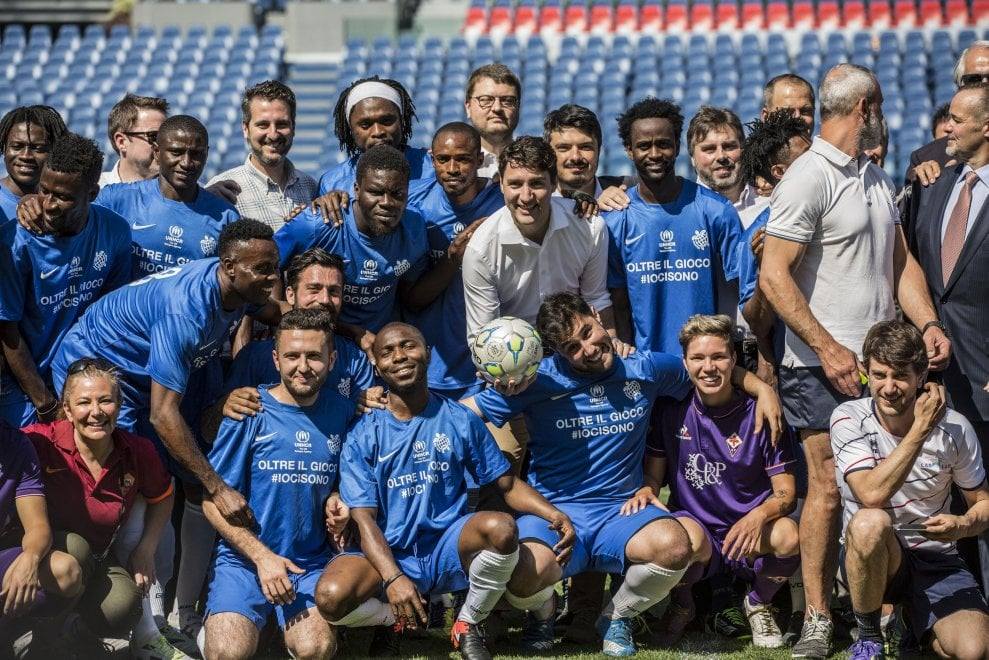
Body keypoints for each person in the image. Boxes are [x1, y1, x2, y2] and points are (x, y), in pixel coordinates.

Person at [758, 64, 950, 660]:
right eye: (883, 104)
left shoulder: (872, 173)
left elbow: (902, 266)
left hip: (878, 364)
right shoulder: (807, 177)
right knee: (827, 492)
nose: (887, 113)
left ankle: (878, 614)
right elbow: (774, 274)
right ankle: (818, 618)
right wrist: (826, 347)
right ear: (865, 107)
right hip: (819, 364)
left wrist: (928, 323)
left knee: (884, 492)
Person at [50, 219, 284, 645]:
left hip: (161, 375)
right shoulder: (187, 309)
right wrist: (218, 487)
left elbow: (275, 311)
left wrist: (353, 334)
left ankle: (183, 612)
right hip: (103, 374)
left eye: (276, 267)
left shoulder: (239, 286)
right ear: (229, 265)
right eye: (264, 270)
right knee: (139, 489)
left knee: (191, 485)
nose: (274, 278)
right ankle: (141, 625)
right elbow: (163, 416)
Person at [314, 322, 574, 660]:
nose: (400, 356)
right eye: (388, 352)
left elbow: (506, 484)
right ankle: (398, 619)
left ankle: (468, 622)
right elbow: (364, 520)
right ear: (376, 366)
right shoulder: (362, 433)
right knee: (331, 598)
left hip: (447, 547)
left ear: (428, 354)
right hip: (389, 551)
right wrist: (393, 578)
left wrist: (553, 514)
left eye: (409, 346)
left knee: (503, 528)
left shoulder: (459, 419)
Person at [832, 320, 989, 660]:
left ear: (921, 377)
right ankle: (870, 637)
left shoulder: (956, 428)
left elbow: (983, 504)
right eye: (879, 375)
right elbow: (871, 495)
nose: (889, 387)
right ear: (866, 374)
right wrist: (920, 429)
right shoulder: (848, 417)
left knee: (974, 651)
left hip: (936, 558)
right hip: (874, 555)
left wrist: (962, 526)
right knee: (869, 522)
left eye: (900, 375)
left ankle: (910, 621)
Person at [202, 309, 354, 660]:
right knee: (228, 652)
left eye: (314, 356)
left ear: (331, 360)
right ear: (275, 359)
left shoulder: (344, 413)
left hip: (309, 563)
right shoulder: (250, 410)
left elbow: (348, 481)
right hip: (244, 561)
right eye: (292, 356)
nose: (303, 366)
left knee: (314, 648)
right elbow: (212, 501)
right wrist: (262, 557)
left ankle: (283, 629)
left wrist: (338, 497)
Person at [646, 314, 799, 649]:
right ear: (684, 363)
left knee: (789, 536)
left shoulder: (761, 412)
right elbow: (652, 478)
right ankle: (683, 604)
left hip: (749, 530)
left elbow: (786, 495)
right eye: (698, 358)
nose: (709, 367)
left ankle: (758, 602)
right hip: (698, 528)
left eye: (718, 357)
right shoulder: (670, 409)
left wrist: (757, 516)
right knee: (673, 538)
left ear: (733, 361)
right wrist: (647, 490)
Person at [24, 357, 177, 659]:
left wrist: (146, 548)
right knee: (75, 549)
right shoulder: (41, 442)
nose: (95, 412)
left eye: (106, 401)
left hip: (97, 558)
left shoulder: (137, 450)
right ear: (67, 410)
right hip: (45, 553)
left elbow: (163, 497)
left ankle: (78, 633)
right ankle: (42, 641)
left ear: (119, 405)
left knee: (124, 606)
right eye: (83, 403)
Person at [907, 83, 989, 589]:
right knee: (938, 499)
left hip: (984, 375)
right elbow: (910, 265)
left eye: (957, 120)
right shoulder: (933, 183)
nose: (946, 129)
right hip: (933, 370)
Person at [0, 132, 131, 428]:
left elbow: (110, 313)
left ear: (93, 194)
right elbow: (7, 329)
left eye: (63, 197)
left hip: (81, 379)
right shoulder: (14, 243)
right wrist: (44, 403)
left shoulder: (114, 231)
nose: (48, 204)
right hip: (23, 382)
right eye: (43, 190)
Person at [605, 97, 743, 357]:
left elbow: (744, 292)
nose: (655, 154)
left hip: (705, 366)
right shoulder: (614, 220)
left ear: (678, 147)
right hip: (645, 368)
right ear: (629, 150)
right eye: (644, 146)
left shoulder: (716, 211)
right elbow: (618, 302)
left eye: (664, 145)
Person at [275, 144, 428, 339]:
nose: (386, 202)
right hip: (317, 340)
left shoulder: (415, 229)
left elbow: (410, 296)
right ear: (356, 189)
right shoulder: (318, 224)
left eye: (397, 194)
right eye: (375, 192)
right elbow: (267, 266)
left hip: (377, 348)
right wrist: (279, 320)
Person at [402, 122, 504, 400]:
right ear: (431, 159)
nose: (452, 169)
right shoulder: (414, 203)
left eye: (463, 159)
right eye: (443, 159)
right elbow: (410, 298)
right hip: (430, 369)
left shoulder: (504, 203)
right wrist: (453, 258)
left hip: (491, 367)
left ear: (480, 160)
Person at [219, 248, 374, 407]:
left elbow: (366, 423)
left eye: (334, 291)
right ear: (290, 295)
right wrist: (224, 406)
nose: (325, 299)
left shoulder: (356, 359)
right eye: (314, 289)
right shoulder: (253, 357)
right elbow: (224, 421)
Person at [92, 114, 240, 279]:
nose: (186, 163)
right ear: (156, 152)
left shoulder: (226, 217)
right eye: (176, 152)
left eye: (196, 154)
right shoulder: (116, 199)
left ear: (206, 154)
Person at [736, 111, 813, 383]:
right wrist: (764, 269)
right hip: (799, 368)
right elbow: (757, 323)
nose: (818, 163)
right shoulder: (755, 236)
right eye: (806, 158)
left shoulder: (841, 210)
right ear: (780, 172)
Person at [0, 423, 81, 656]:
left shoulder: (15, 444)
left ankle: (21, 632)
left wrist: (31, 558)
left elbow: (37, 525)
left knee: (66, 571)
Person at [206, 81, 319, 232]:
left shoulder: (310, 186)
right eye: (263, 125)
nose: (273, 134)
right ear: (246, 129)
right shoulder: (222, 190)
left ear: (293, 128)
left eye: (282, 124)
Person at [317, 76, 432, 196]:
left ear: (402, 121)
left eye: (387, 121)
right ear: (350, 129)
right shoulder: (331, 183)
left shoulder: (437, 168)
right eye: (365, 124)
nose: (378, 132)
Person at [905, 41, 989, 187]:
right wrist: (919, 186)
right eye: (974, 80)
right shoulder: (926, 159)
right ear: (959, 85)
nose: (985, 86)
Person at [543, 103, 626, 200]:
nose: (575, 157)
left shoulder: (628, 191)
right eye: (564, 148)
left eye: (585, 147)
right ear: (548, 153)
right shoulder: (533, 204)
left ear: (598, 150)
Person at [0, 106, 67, 218]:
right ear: (4, 148)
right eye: (17, 147)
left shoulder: (67, 205)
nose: (26, 156)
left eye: (38, 148)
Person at [687, 106, 754, 211]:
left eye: (729, 146)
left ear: (743, 150)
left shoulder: (771, 202)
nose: (721, 156)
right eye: (709, 149)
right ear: (692, 158)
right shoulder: (681, 212)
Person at [464, 64, 521, 178]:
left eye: (507, 101)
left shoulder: (539, 165)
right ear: (468, 108)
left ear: (518, 107)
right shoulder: (451, 165)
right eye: (485, 100)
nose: (497, 108)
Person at [100, 94, 168, 187]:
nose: (165, 144)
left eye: (167, 137)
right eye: (154, 136)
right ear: (122, 142)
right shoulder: (93, 191)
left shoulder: (184, 193)